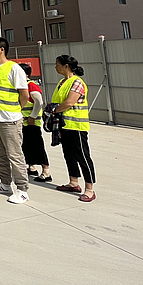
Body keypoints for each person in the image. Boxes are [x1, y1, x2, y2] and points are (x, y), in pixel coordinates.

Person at [0, 37, 31, 204]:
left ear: (1, 50)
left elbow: (24, 95)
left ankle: (22, 190)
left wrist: (16, 110)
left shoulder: (14, 68)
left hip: (9, 119)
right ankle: (5, 183)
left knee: (14, 155)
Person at [52, 55, 96, 202]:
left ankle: (89, 189)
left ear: (66, 66)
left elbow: (69, 102)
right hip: (64, 124)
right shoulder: (62, 82)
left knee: (82, 156)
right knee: (69, 154)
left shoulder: (77, 82)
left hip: (76, 126)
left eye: (57, 64)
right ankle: (73, 182)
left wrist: (53, 110)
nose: (55, 67)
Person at [20, 63, 51, 182]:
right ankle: (31, 167)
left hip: (31, 123)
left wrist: (32, 116)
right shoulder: (22, 86)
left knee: (37, 146)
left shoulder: (31, 85)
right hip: (24, 123)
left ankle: (46, 171)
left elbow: (39, 102)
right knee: (26, 146)